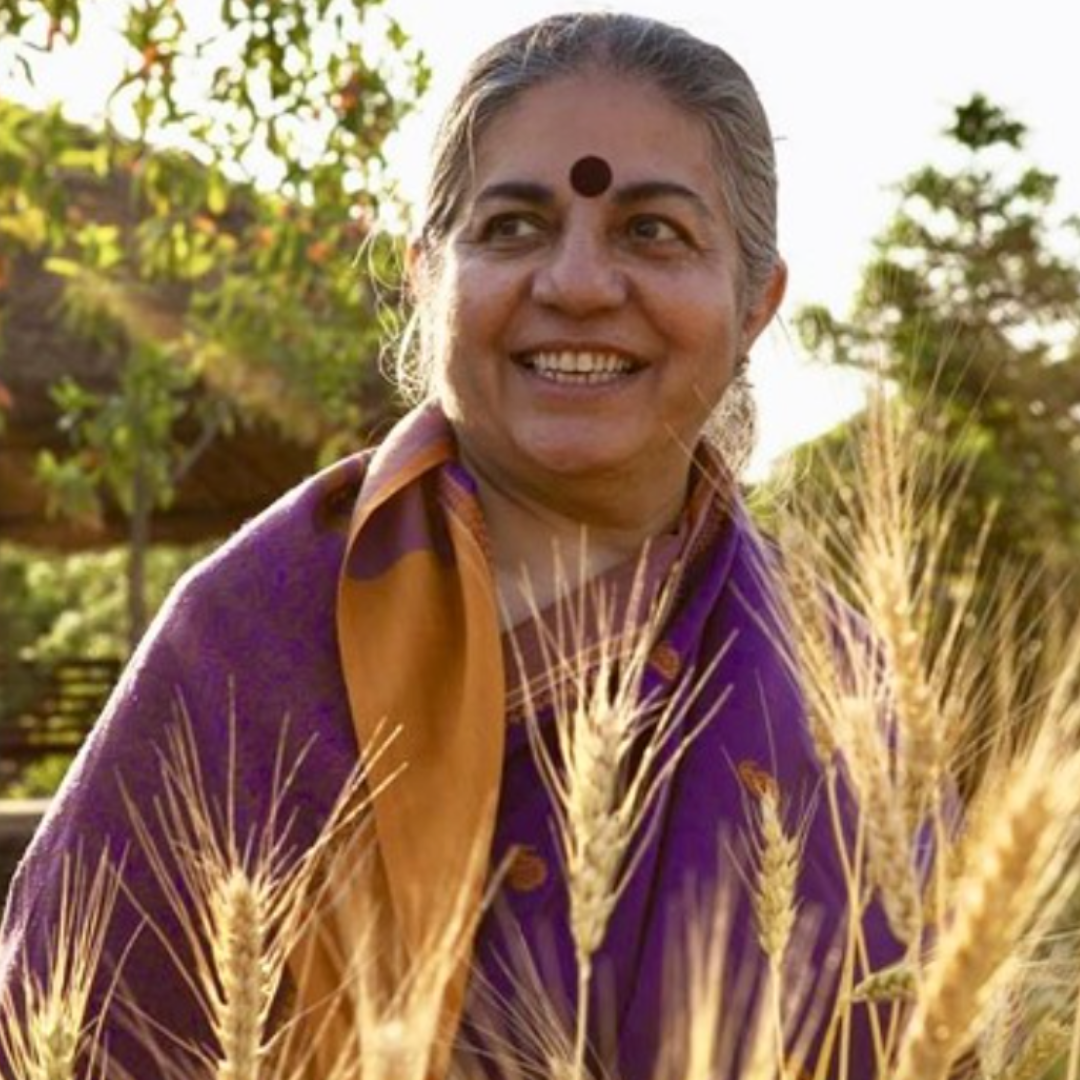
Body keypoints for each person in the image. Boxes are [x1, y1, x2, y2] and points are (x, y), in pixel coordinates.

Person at [0, 12, 903, 1080]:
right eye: (514, 226)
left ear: (756, 303)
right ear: (428, 277)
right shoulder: (250, 638)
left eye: (652, 231)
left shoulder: (839, 687)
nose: (575, 283)